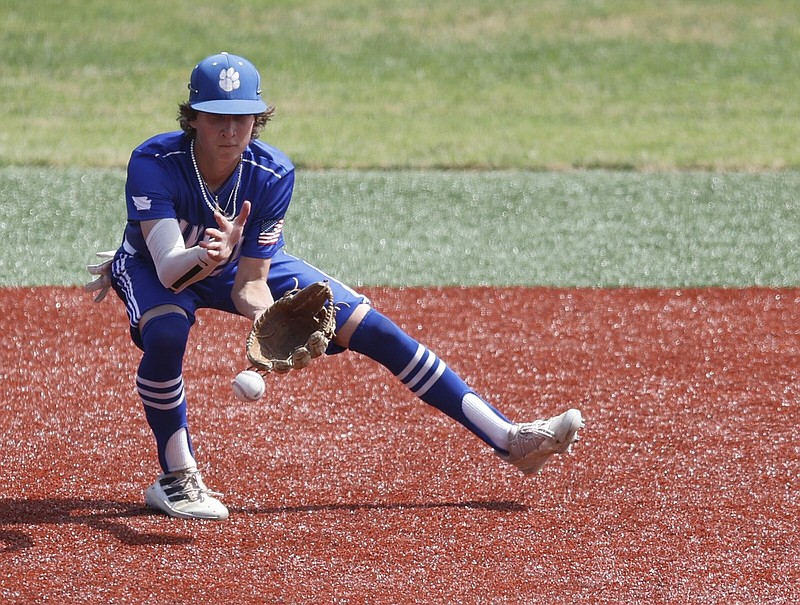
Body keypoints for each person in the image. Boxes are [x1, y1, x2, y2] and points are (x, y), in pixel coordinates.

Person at [85, 52, 584, 521]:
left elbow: (250, 282)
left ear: (258, 120)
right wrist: (207, 253)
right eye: (216, 116)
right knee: (167, 335)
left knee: (375, 329)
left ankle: (509, 439)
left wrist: (272, 320)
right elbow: (171, 269)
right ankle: (178, 477)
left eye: (243, 117)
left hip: (237, 269)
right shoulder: (154, 161)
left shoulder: (271, 171)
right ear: (192, 116)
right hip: (156, 266)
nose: (231, 129)